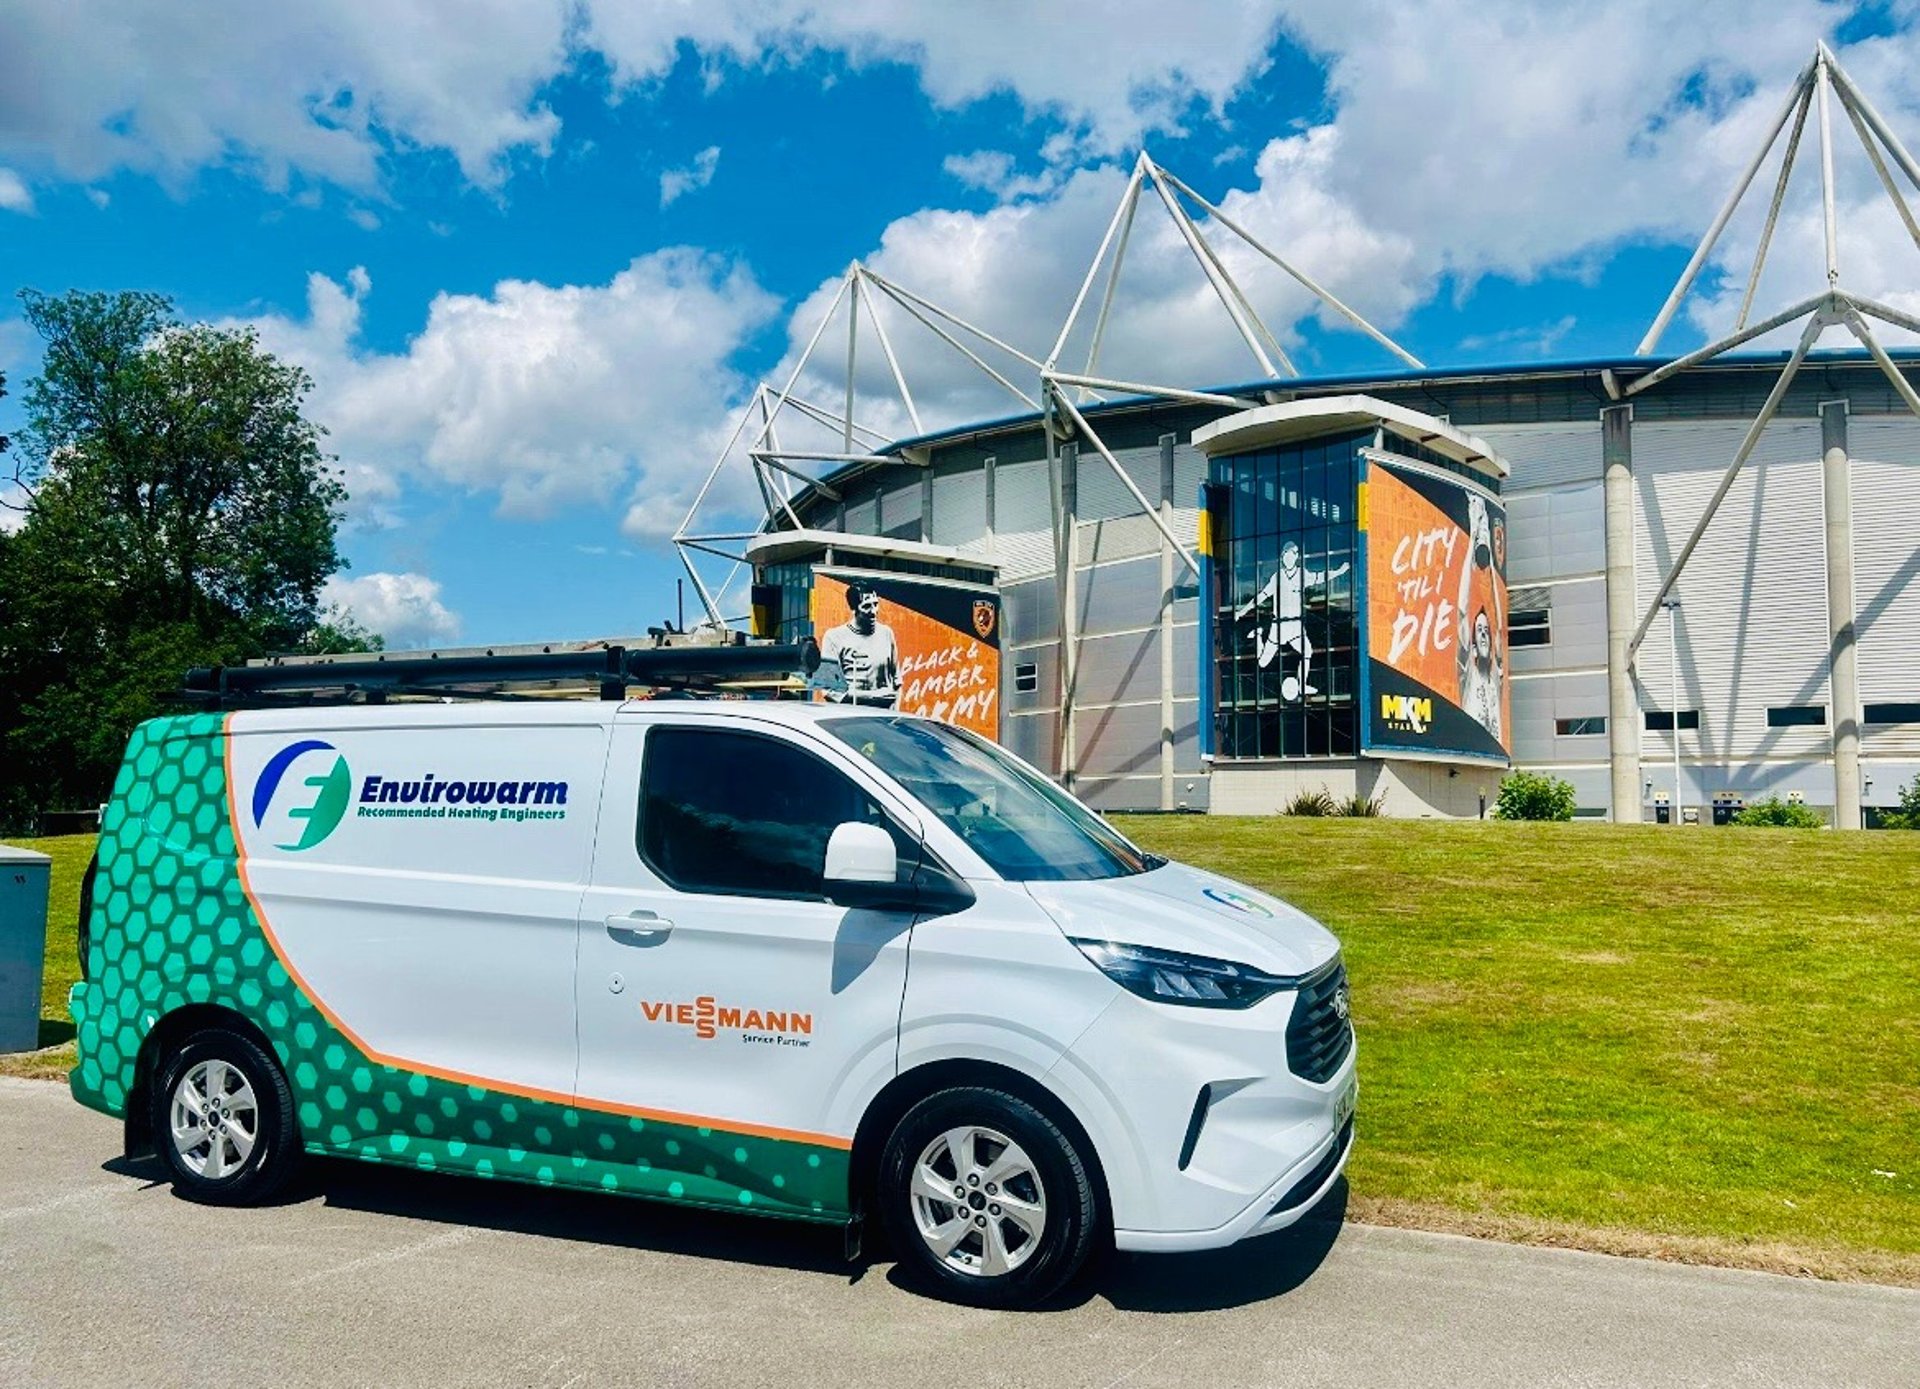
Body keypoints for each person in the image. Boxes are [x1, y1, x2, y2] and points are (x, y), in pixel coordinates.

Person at [1236, 540, 1350, 699]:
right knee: (1262, 663)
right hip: (1279, 626)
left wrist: (1339, 572)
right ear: (1282, 557)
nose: (1289, 558)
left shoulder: (1302, 574)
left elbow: (1320, 577)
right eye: (1286, 555)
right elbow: (1262, 596)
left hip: (1295, 625)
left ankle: (1302, 684)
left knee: (1307, 651)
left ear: (1296, 557)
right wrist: (1242, 611)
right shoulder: (1277, 577)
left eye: (1292, 555)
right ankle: (1259, 635)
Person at [1455, 495, 1504, 740]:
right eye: (1479, 631)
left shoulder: (1496, 678)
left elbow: (1499, 627)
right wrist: (1473, 535)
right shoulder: (1468, 675)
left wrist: (1492, 564)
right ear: (1472, 643)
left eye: (1485, 631)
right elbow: (1462, 609)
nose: (1484, 634)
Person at [819, 579, 900, 707]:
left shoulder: (886, 633)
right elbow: (829, 690)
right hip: (850, 716)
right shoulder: (834, 637)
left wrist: (895, 713)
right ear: (854, 608)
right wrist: (874, 696)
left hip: (882, 716)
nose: (874, 611)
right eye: (867, 606)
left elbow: (897, 681)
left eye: (875, 604)